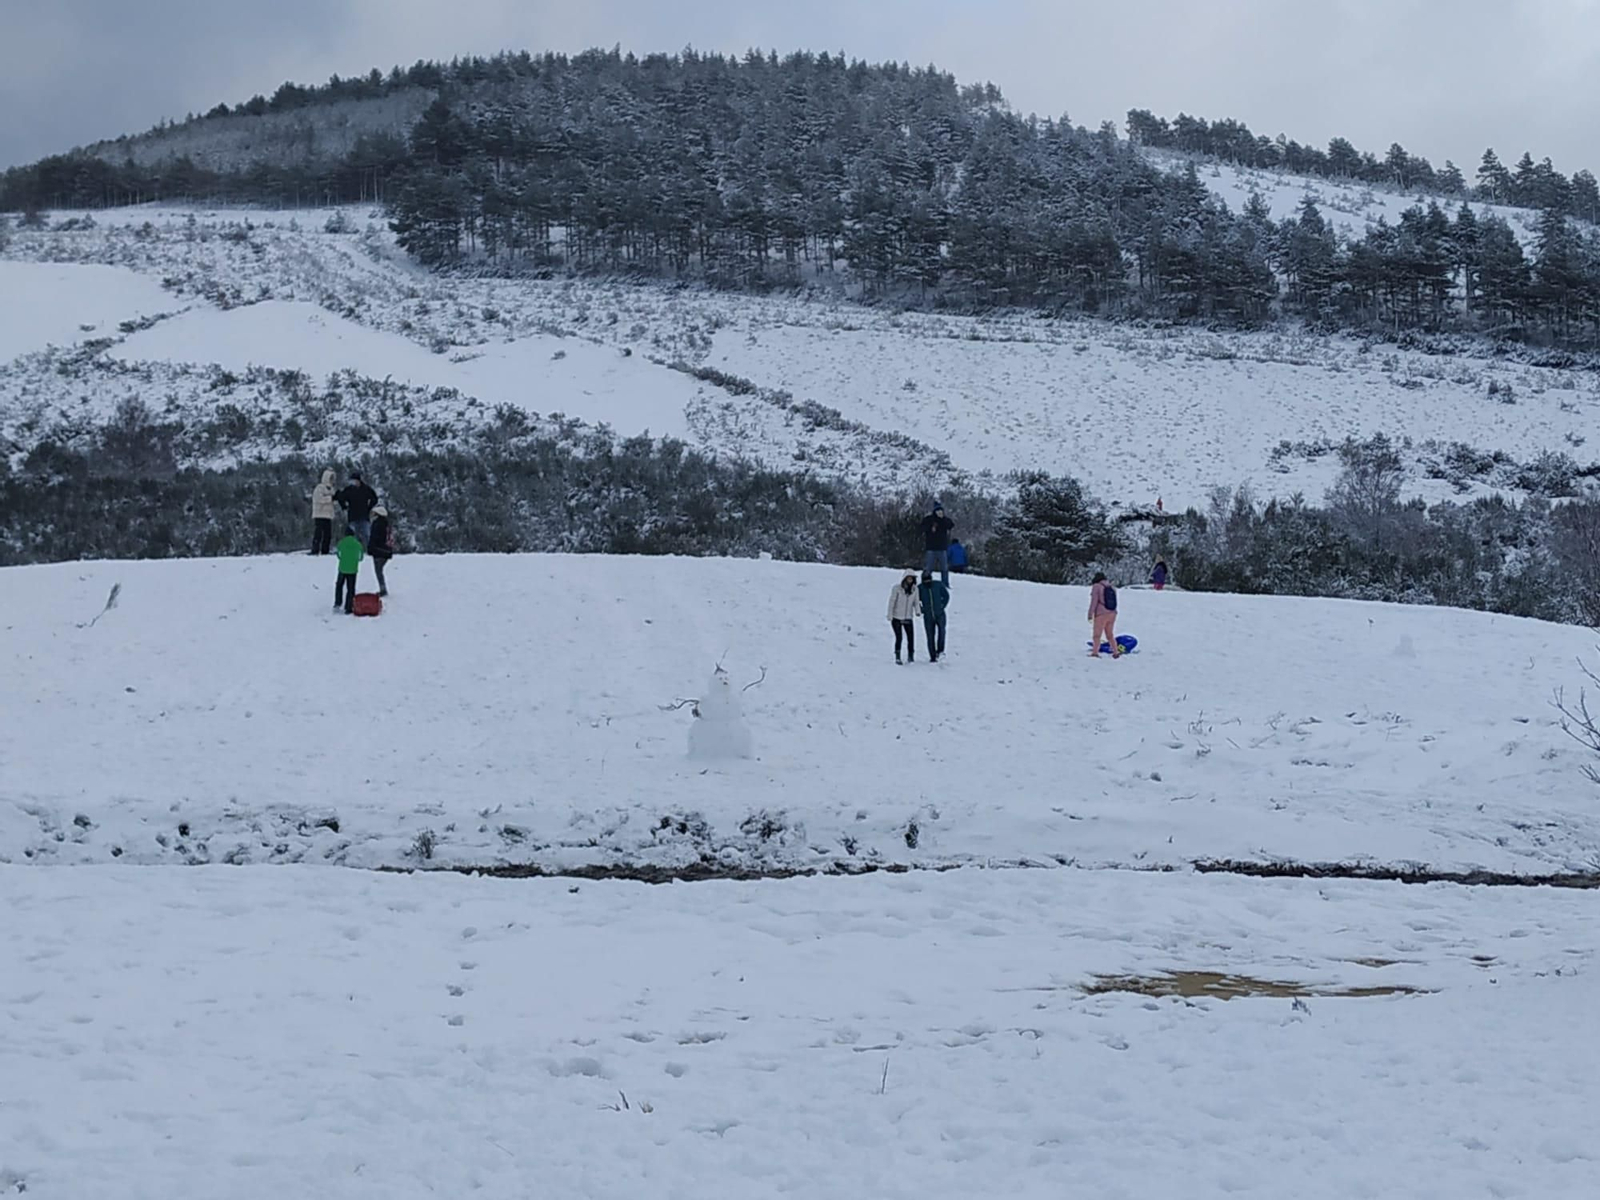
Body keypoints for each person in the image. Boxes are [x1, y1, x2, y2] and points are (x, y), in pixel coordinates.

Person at [334, 472, 379, 547]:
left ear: (358, 480)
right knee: (354, 536)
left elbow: (374, 498)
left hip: (364, 516)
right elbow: (340, 497)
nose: (353, 483)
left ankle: (369, 550)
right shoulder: (349, 490)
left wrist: (369, 507)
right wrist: (344, 507)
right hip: (352, 517)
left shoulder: (366, 489)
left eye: (354, 481)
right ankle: (356, 551)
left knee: (366, 535)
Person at [887, 569, 922, 664]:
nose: (910, 580)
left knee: (911, 638)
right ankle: (897, 655)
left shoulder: (915, 590)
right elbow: (892, 602)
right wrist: (890, 614)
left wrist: (918, 611)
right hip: (897, 617)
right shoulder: (897, 589)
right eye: (908, 578)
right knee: (899, 637)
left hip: (908, 617)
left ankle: (911, 656)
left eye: (912, 578)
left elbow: (916, 602)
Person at [1088, 571, 1122, 658]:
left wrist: (1090, 614)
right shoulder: (1111, 587)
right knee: (1110, 634)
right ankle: (1115, 652)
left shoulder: (1097, 587)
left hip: (1101, 614)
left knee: (1097, 635)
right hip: (1112, 613)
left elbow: (1094, 602)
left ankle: (1095, 652)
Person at [918, 570, 950, 662]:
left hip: (940, 614)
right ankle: (932, 656)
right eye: (925, 580)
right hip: (928, 617)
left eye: (929, 580)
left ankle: (940, 651)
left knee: (942, 632)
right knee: (930, 636)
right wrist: (922, 610)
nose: (927, 582)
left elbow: (946, 596)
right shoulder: (920, 588)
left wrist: (942, 606)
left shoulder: (938, 585)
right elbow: (916, 601)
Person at [920, 502, 955, 584]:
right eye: (938, 511)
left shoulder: (944, 520)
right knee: (928, 568)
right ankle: (925, 581)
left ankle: (945, 583)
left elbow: (951, 525)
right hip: (931, 547)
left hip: (942, 547)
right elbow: (922, 527)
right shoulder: (929, 519)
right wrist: (930, 527)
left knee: (944, 568)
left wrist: (942, 520)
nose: (940, 513)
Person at [334, 525, 365, 615]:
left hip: (342, 568)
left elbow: (338, 554)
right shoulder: (357, 544)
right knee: (350, 588)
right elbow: (361, 557)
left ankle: (337, 603)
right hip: (353, 569)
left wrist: (342, 559)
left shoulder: (342, 542)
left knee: (339, 585)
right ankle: (348, 607)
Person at [368, 505, 395, 597]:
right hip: (387, 551)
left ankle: (383, 589)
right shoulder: (387, 524)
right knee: (380, 570)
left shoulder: (377, 524)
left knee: (378, 571)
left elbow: (374, 538)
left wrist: (371, 549)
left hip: (378, 551)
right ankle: (383, 588)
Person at [309, 468, 336, 555]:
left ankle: (325, 550)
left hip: (328, 515)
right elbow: (319, 499)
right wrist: (331, 498)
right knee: (318, 534)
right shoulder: (319, 488)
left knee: (328, 534)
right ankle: (315, 550)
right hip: (319, 514)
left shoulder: (331, 489)